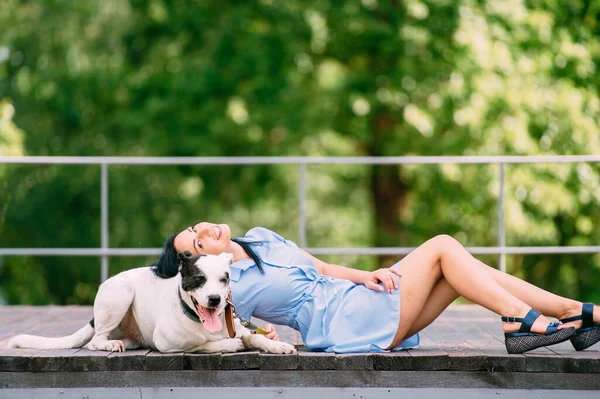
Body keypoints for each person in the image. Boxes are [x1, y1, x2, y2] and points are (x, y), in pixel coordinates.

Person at [153, 222, 600, 354]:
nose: (205, 229)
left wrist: (367, 275)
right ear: (199, 264)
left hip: (357, 297)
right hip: (344, 322)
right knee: (443, 245)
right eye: (196, 241)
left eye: (196, 226)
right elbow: (207, 326)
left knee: (459, 268)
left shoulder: (262, 237)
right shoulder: (230, 292)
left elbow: (322, 265)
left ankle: (572, 313)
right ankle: (523, 322)